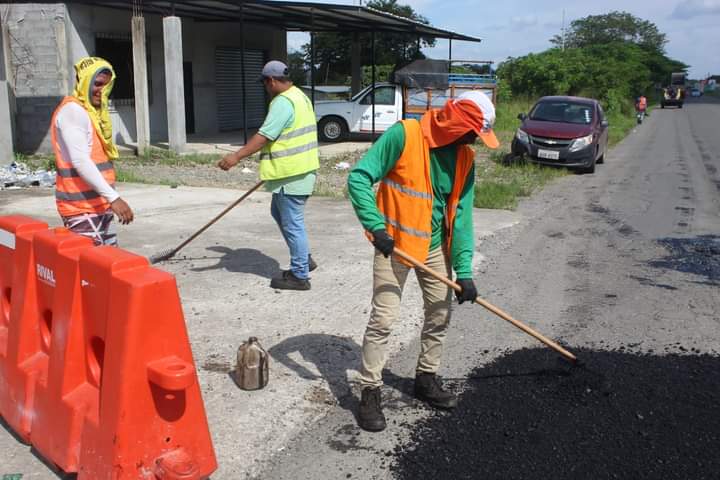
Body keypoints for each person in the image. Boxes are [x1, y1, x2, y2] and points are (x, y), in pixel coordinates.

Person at [346, 90, 499, 432]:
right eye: (474, 133)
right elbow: (358, 178)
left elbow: (461, 217)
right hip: (394, 246)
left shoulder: (464, 159)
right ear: (459, 124)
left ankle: (425, 379)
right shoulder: (404, 135)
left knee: (440, 312)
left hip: (433, 248)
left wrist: (464, 271)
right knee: (384, 319)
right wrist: (375, 226)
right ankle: (370, 390)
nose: (475, 140)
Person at [218, 60, 319, 291]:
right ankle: (304, 258)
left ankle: (300, 274)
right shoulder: (299, 96)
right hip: (299, 170)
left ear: (271, 80)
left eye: (264, 83)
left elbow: (264, 136)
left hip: (291, 173)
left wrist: (236, 156)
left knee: (292, 222)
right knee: (279, 213)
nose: (265, 88)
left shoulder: (282, 102)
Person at [51, 56, 133, 246]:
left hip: (97, 206)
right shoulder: (73, 112)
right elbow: (80, 161)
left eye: (106, 86)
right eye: (96, 84)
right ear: (84, 82)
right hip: (81, 208)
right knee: (92, 271)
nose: (101, 91)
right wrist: (114, 198)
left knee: (105, 267)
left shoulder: (90, 112)